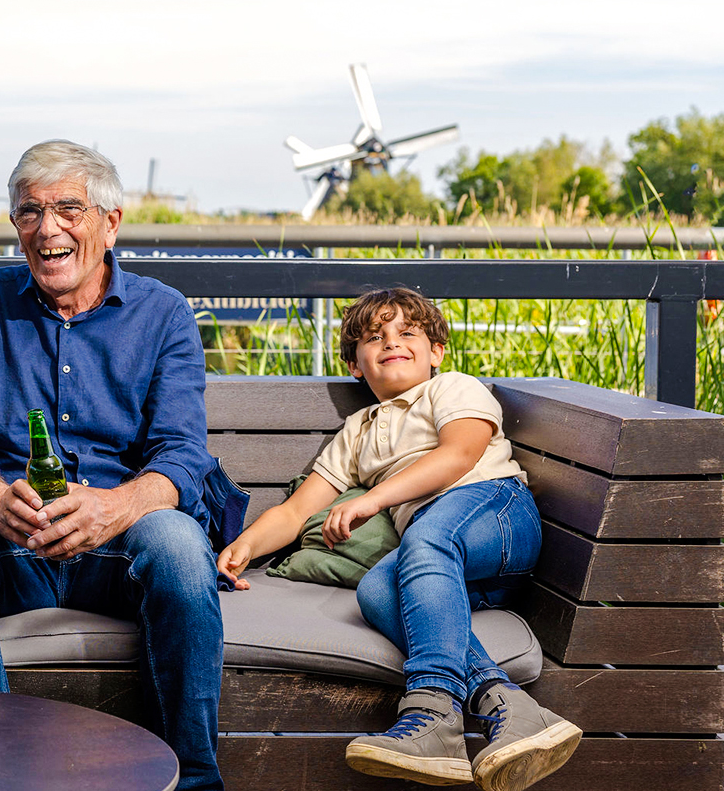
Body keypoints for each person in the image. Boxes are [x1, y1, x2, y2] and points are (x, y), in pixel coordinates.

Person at [0, 140, 244, 791]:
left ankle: (194, 780)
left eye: (69, 208)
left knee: (177, 542)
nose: (47, 228)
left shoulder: (164, 314)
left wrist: (112, 507)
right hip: (13, 536)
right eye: (30, 212)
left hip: (120, 543)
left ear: (110, 223)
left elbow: (180, 455)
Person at [216, 287, 581, 791]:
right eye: (373, 337)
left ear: (436, 352)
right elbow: (298, 510)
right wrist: (244, 548)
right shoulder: (356, 431)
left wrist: (372, 500)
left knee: (427, 536)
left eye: (408, 332)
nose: (392, 341)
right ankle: (510, 705)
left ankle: (432, 708)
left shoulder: (451, 388)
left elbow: (459, 455)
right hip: (442, 562)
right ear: (354, 364)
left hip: (495, 514)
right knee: (377, 591)